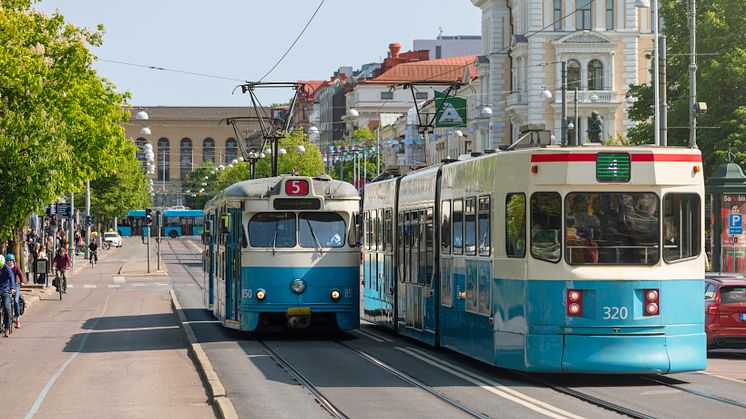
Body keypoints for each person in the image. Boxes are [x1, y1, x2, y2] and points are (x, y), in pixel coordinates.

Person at [6, 254, 25, 329]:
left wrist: (22, 281)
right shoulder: (4, 267)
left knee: (16, 301)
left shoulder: (16, 267)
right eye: (7, 261)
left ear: (13, 261)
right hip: (7, 285)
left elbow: (21, 274)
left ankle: (17, 319)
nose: (9, 262)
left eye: (10, 260)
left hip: (16, 285)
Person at [0, 255, 15, 337]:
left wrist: (12, 287)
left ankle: (7, 327)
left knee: (6, 307)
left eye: (1, 266)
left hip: (5, 290)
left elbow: (11, 277)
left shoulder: (6, 268)